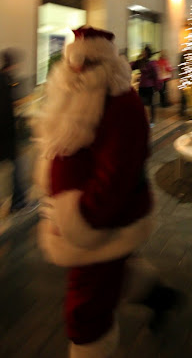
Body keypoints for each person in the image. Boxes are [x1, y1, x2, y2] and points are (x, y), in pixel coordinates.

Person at [34, 27, 181, 358]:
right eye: (73, 61)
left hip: (99, 226)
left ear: (104, 65)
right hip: (83, 220)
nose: (76, 70)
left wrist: (80, 220)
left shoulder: (122, 105)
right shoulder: (77, 95)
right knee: (118, 273)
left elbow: (116, 175)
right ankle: (159, 296)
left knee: (86, 311)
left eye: (85, 62)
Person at [0, 49, 29, 213]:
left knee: (14, 168)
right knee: (16, 168)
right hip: (6, 134)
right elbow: (8, 108)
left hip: (4, 134)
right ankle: (18, 201)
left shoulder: (5, 80)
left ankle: (18, 200)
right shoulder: (7, 82)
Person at [131, 45, 160, 126]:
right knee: (140, 103)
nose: (142, 53)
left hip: (149, 86)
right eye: (142, 51)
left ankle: (152, 120)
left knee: (151, 104)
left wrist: (157, 86)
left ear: (147, 53)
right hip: (142, 86)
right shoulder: (141, 62)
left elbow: (156, 75)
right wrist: (137, 59)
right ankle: (142, 119)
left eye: (144, 51)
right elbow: (132, 66)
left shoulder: (152, 63)